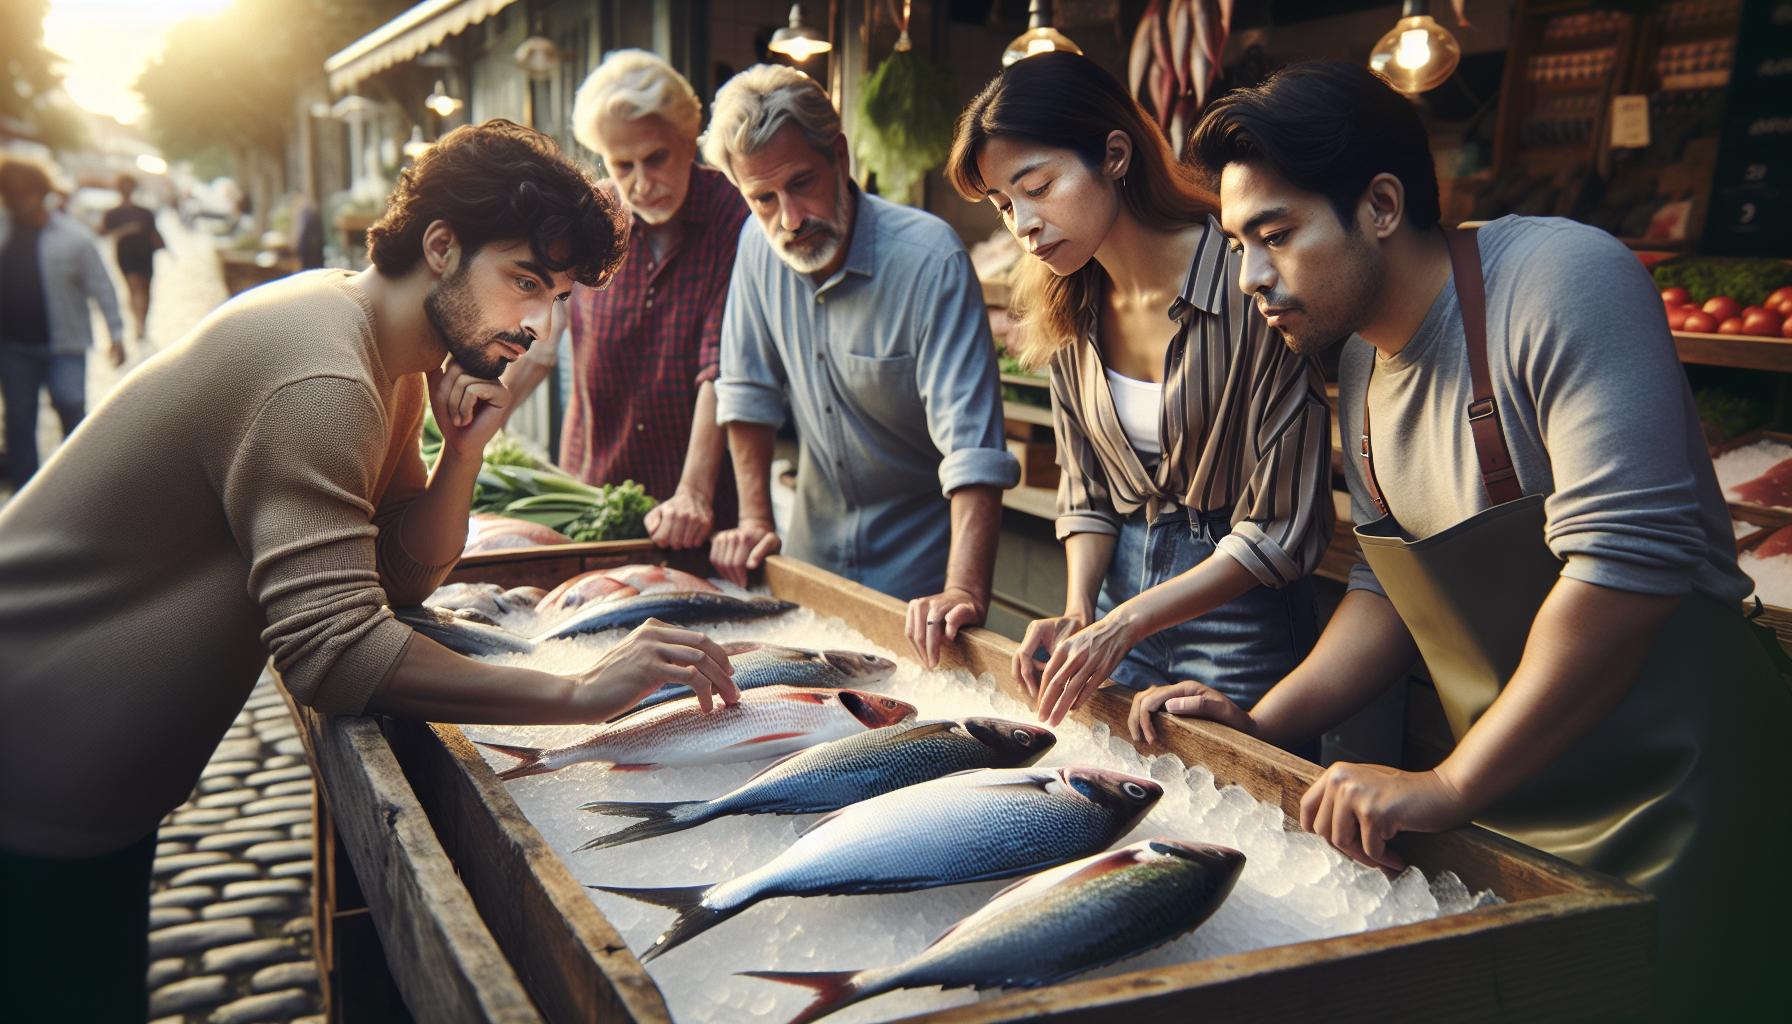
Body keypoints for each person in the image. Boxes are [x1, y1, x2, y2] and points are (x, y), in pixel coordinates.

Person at [0, 121, 739, 1021]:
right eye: (525, 281)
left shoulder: (378, 352)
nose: (539, 323)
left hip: (83, 782)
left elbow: (394, 579)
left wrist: (461, 453)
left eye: (557, 295)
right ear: (440, 246)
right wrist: (578, 690)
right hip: (27, 754)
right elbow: (336, 654)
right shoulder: (323, 373)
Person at [1147, 61, 1788, 1015]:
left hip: (1688, 803)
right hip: (1515, 809)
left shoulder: (1564, 279)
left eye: (1275, 235)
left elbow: (1628, 568)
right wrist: (1265, 724)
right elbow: (1389, 589)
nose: (1251, 279)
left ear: (1379, 205)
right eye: (1239, 243)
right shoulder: (1358, 364)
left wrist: (1448, 781)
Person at [946, 52, 1331, 731]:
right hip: (1119, 594)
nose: (1023, 224)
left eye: (1038, 185)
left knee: (1233, 821)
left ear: (1115, 155)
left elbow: (1283, 525)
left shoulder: (1250, 279)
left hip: (1239, 612)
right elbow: (1087, 488)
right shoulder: (1061, 303)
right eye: (1005, 205)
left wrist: (1120, 623)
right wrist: (1079, 609)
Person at [703, 64, 1020, 666]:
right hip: (808, 566)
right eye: (762, 198)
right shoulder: (755, 244)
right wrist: (753, 520)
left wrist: (964, 588)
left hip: (921, 586)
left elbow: (972, 445)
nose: (789, 219)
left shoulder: (929, 259)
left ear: (840, 157)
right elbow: (746, 390)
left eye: (802, 183)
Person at [504, 50, 748, 549]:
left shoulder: (733, 214)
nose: (641, 182)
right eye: (622, 164)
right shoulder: (595, 213)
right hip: (593, 491)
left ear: (687, 139)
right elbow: (542, 338)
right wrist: (477, 432)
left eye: (655, 157)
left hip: (697, 516)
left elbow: (720, 369)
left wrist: (692, 494)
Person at [0, 157, 126, 493]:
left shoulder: (74, 238)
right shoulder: (4, 232)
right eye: (11, 195)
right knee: (18, 420)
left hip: (65, 345)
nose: (18, 202)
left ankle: (76, 490)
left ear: (40, 194)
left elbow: (101, 285)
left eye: (25, 194)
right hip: (13, 347)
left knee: (71, 406)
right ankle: (25, 498)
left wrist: (116, 332)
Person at [102, 173, 163, 342]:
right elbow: (104, 233)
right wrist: (127, 230)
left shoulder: (144, 212)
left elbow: (154, 233)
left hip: (144, 253)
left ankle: (141, 320)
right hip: (127, 254)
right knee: (135, 287)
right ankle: (139, 324)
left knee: (144, 289)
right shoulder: (113, 213)